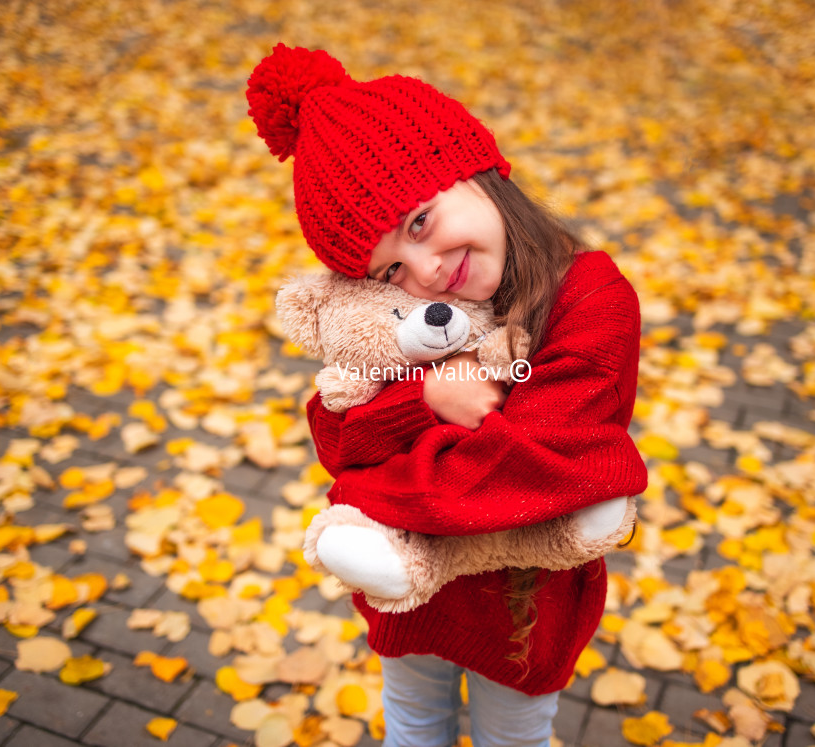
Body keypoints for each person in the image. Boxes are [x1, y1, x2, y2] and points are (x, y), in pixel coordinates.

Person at [247, 44, 648, 747]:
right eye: (390, 269)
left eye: (421, 221)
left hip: (526, 608)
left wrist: (367, 500)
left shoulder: (591, 297)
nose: (426, 272)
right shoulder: (408, 330)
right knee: (412, 726)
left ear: (476, 165)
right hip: (410, 603)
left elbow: (552, 462)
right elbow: (338, 435)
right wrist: (424, 397)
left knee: (512, 740)